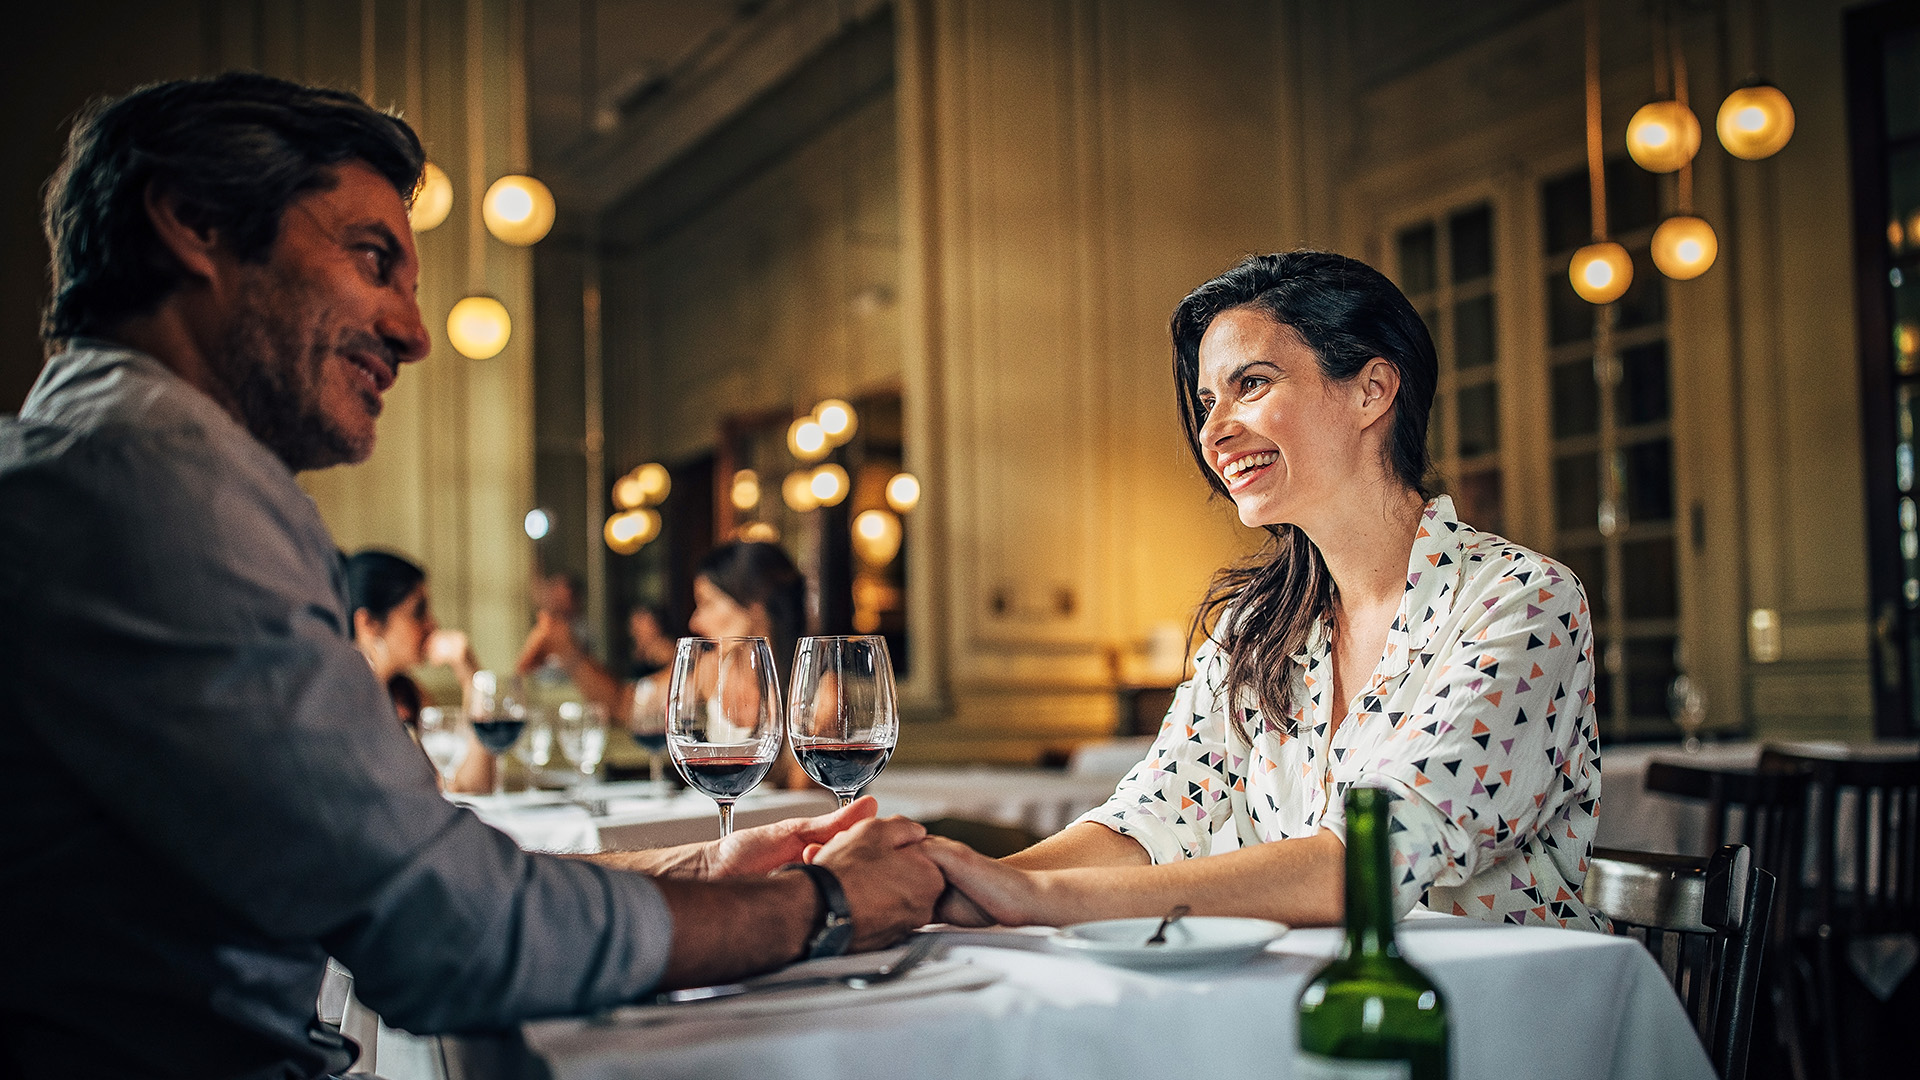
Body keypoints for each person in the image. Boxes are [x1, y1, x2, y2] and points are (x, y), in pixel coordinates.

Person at [0, 72, 942, 1080]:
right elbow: (444, 933)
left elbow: (403, 866)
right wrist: (826, 908)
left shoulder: (90, 468)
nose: (413, 332)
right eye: (375, 263)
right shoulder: (150, 492)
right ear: (193, 224)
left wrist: (699, 870)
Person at [923, 251, 1603, 932]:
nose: (1213, 431)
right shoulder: (1259, 624)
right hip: (1300, 1006)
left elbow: (1369, 860)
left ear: (1372, 390)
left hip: (1495, 1014)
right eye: (1206, 401)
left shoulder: (1524, 600)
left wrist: (1040, 902)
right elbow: (1150, 821)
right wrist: (959, 887)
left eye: (1250, 384)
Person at [519, 542, 815, 788]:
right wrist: (568, 650)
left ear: (755, 607)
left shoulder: (816, 693)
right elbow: (629, 706)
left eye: (707, 602)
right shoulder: (711, 671)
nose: (694, 621)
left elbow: (808, 808)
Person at [345, 548, 496, 793]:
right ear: (368, 624)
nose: (432, 624)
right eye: (419, 611)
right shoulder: (339, 701)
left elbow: (470, 786)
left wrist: (470, 676)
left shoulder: (407, 695)